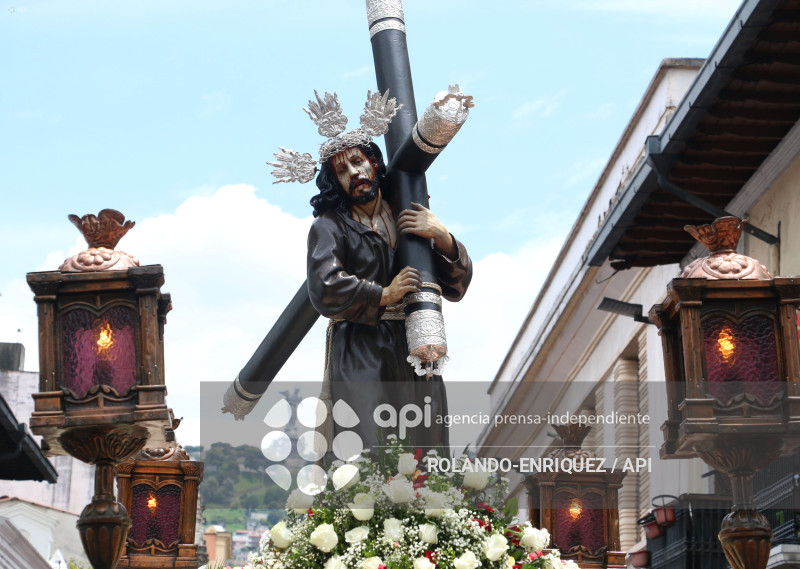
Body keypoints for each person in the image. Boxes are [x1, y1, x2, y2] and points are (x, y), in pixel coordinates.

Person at [306, 141, 472, 452]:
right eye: (342, 170)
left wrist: (442, 236)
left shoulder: (409, 210)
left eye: (358, 162)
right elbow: (323, 285)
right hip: (362, 348)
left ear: (375, 164)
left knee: (426, 441)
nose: (354, 173)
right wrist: (384, 293)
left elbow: (457, 286)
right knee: (369, 442)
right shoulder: (329, 226)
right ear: (335, 182)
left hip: (416, 340)